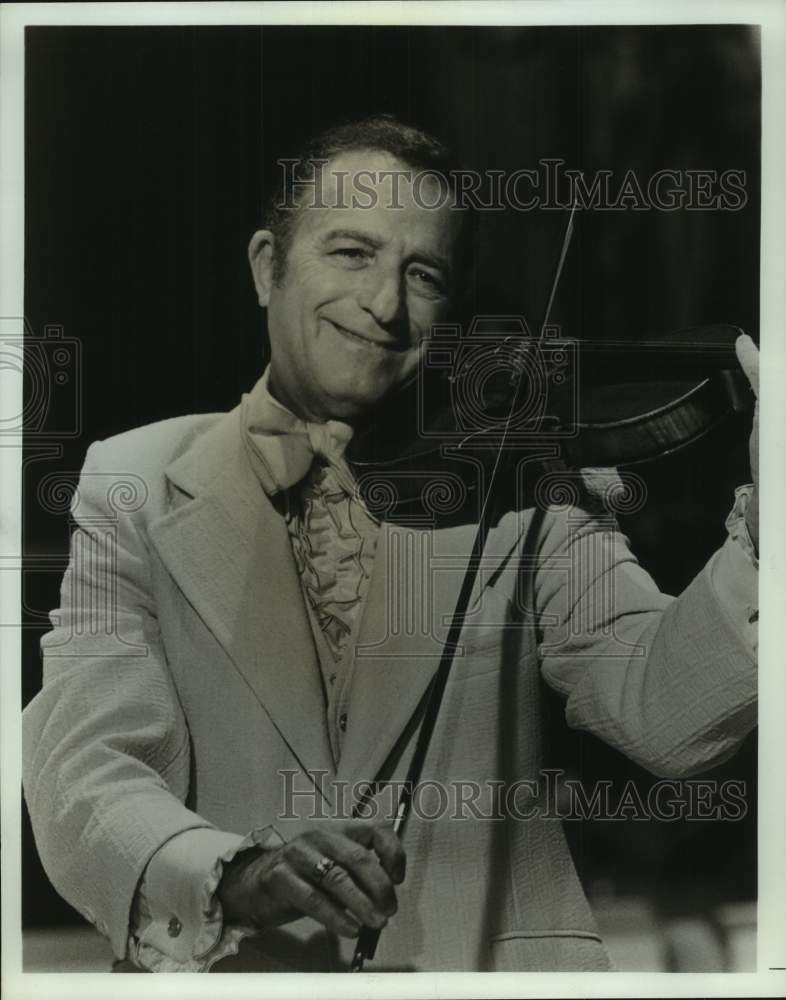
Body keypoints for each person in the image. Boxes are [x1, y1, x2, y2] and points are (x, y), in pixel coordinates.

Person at [22, 115, 759, 973]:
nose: (384, 304)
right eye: (350, 253)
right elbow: (85, 775)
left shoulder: (520, 489)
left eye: (424, 273)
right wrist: (233, 872)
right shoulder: (134, 484)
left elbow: (668, 715)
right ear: (268, 267)